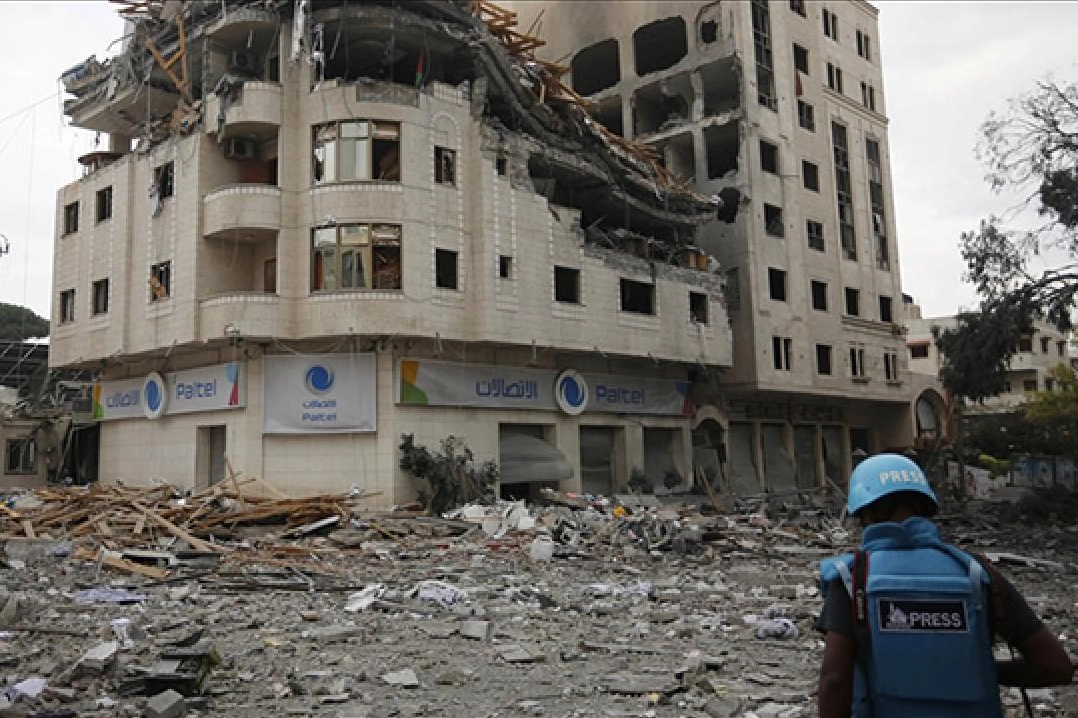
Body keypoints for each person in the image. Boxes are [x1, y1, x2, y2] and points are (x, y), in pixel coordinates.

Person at [817, 453, 1073, 718]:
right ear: (925, 506)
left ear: (865, 512)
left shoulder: (853, 579)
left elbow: (835, 682)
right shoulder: (977, 574)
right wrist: (976, 671)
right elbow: (1056, 667)